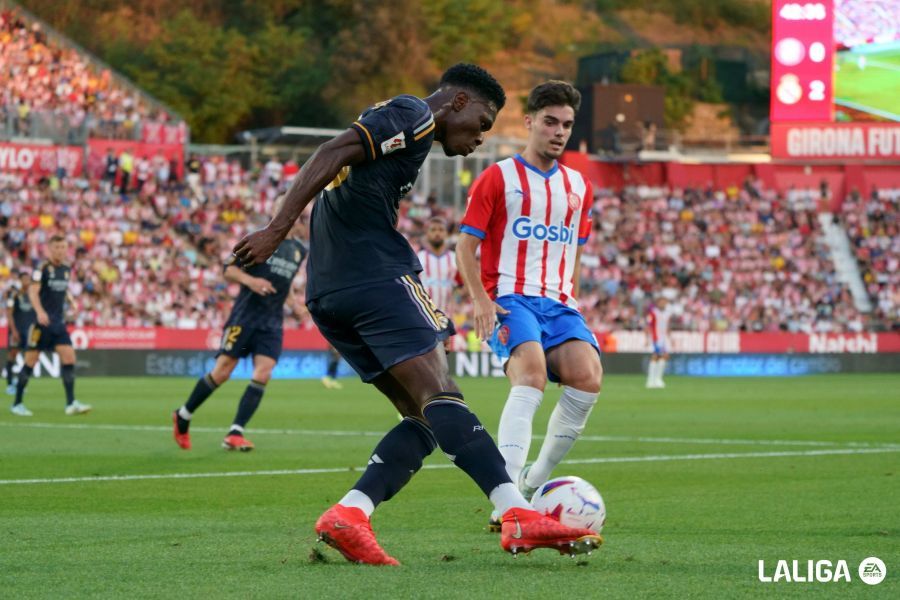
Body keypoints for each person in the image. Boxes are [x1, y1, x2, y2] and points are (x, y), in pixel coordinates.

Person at [233, 63, 601, 566]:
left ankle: (351, 513)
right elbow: (331, 151)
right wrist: (277, 228)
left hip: (330, 291)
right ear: (457, 103)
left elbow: (343, 163)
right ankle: (516, 510)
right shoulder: (413, 115)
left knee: (424, 417)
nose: (478, 138)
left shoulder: (410, 136)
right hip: (375, 277)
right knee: (444, 396)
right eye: (482, 123)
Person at [455, 81, 603, 531]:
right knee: (532, 374)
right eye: (551, 122)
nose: (559, 132)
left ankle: (537, 481)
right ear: (530, 123)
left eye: (567, 125)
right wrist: (480, 300)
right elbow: (465, 246)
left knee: (588, 377)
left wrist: (570, 293)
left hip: (558, 302)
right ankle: (508, 496)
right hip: (509, 297)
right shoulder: (498, 177)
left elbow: (575, 247)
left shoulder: (579, 186)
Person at [172, 215, 308, 451]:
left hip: (272, 322)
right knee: (223, 371)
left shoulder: (298, 250)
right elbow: (228, 269)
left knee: (264, 372)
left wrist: (293, 304)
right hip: (245, 317)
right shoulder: (258, 239)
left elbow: (283, 284)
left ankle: (236, 432)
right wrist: (251, 281)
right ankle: (183, 414)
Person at [13, 235, 91, 416]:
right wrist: (40, 312)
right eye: (57, 247)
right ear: (49, 249)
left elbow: (62, 290)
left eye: (63, 247)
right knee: (30, 362)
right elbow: (33, 292)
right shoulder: (42, 268)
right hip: (41, 324)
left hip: (58, 324)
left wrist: (71, 301)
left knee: (69, 358)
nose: (60, 250)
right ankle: (17, 403)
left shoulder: (66, 269)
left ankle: (71, 403)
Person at [416, 216, 458, 313]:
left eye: (441, 229)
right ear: (427, 233)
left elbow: (461, 286)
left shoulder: (454, 258)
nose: (437, 233)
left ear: (446, 233)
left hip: (448, 317)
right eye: (433, 230)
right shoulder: (418, 258)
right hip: (425, 316)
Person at [6, 270, 35, 402]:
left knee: (29, 357)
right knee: (13, 354)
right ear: (20, 280)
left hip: (29, 331)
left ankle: (20, 382)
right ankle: (10, 384)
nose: (26, 282)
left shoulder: (33, 295)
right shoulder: (15, 295)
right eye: (24, 279)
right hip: (17, 330)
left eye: (28, 279)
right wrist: (13, 330)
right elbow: (9, 313)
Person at [646, 296, 673, 389]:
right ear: (658, 303)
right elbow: (648, 325)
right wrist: (647, 338)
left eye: (665, 302)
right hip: (656, 337)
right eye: (662, 302)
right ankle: (651, 380)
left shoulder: (667, 313)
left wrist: (670, 339)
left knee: (664, 356)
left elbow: (667, 326)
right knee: (655, 356)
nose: (663, 304)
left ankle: (657, 379)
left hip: (664, 338)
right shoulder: (653, 312)